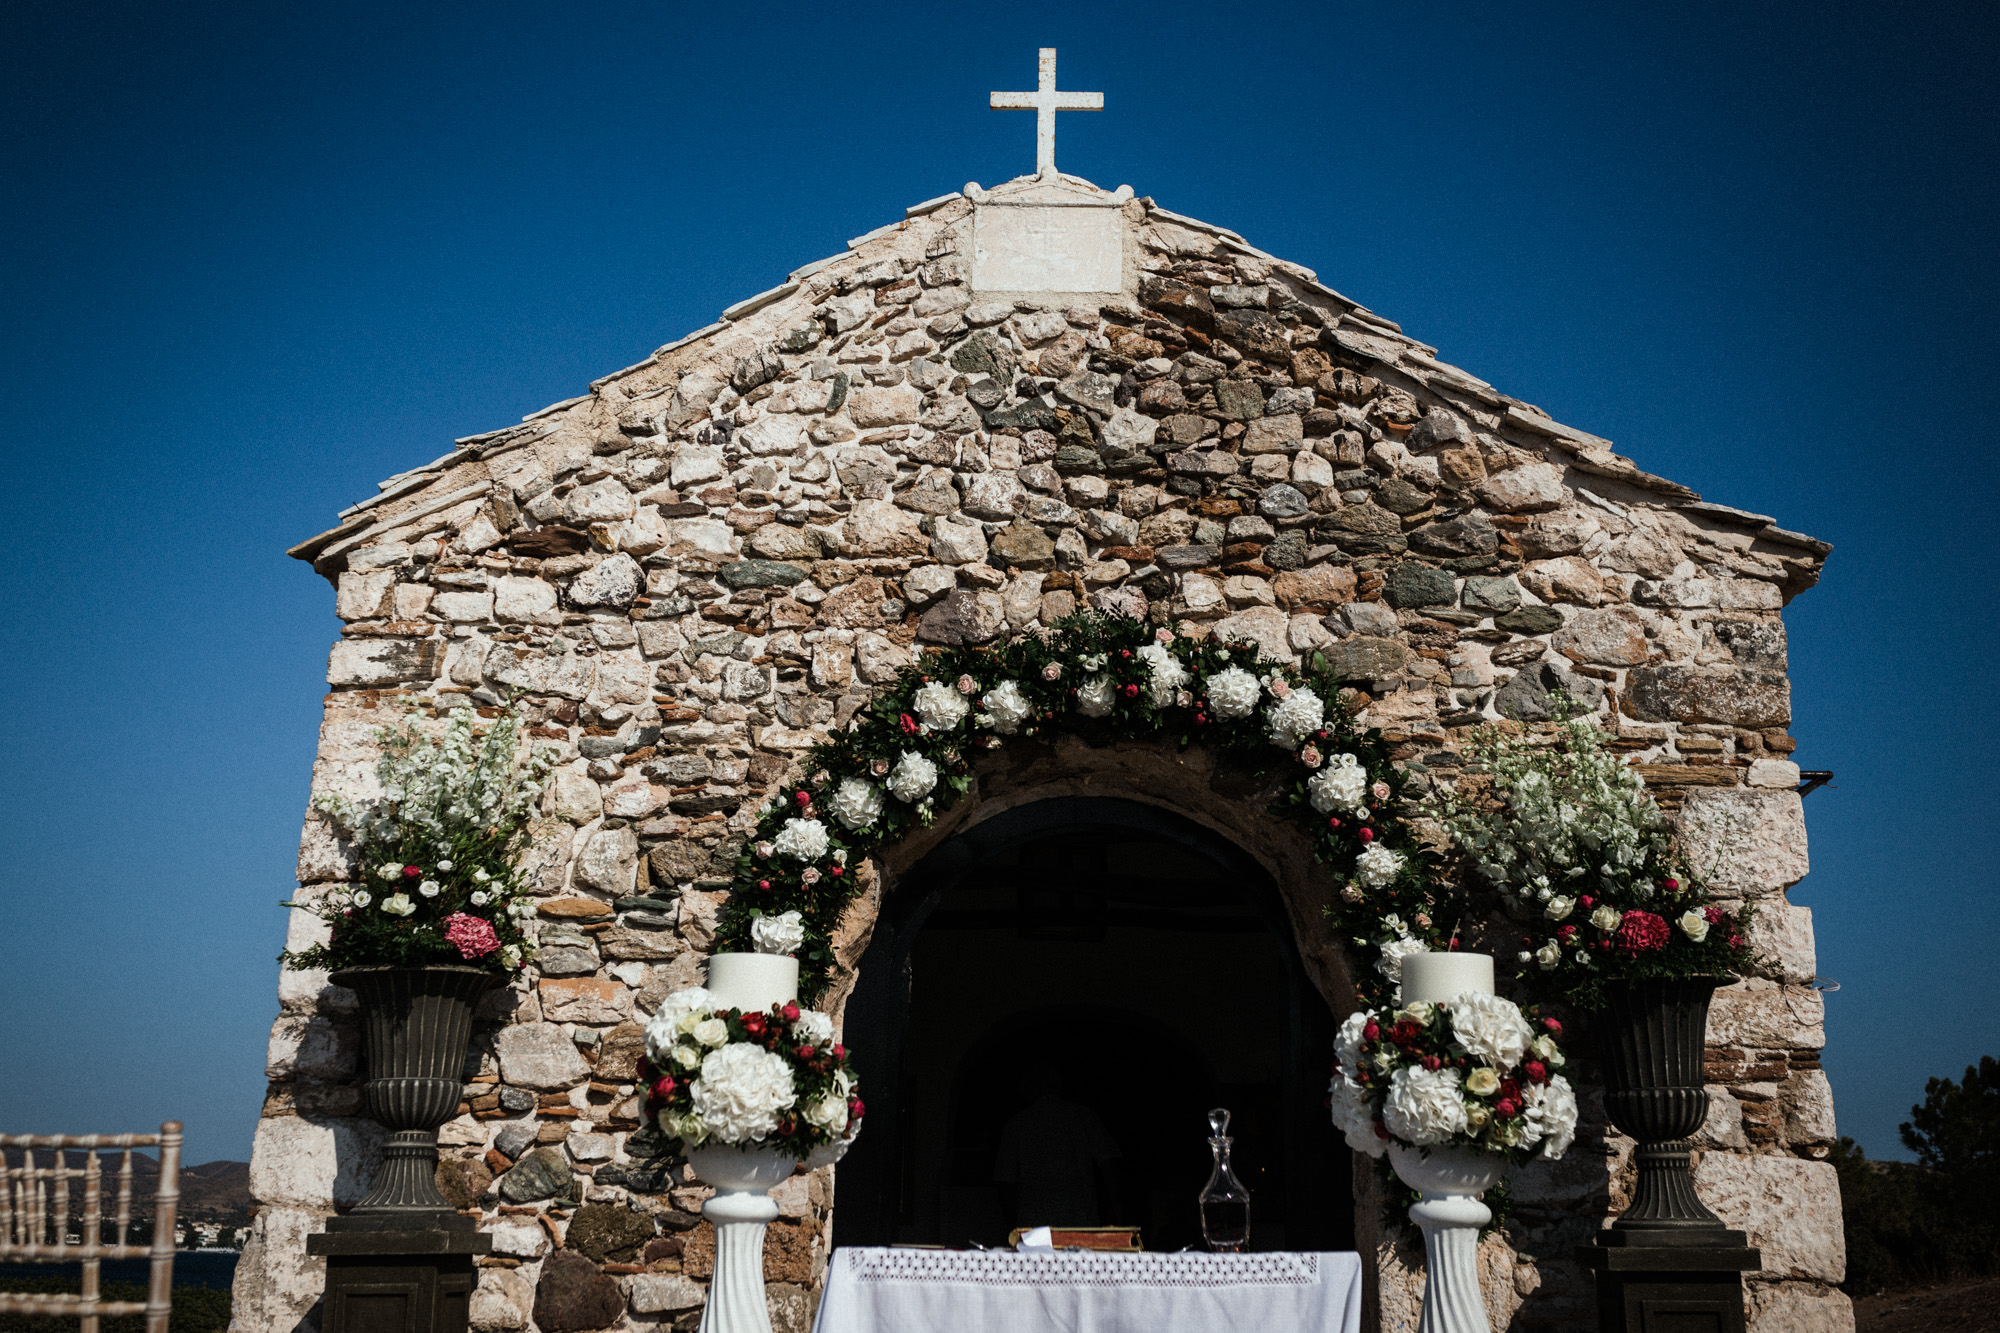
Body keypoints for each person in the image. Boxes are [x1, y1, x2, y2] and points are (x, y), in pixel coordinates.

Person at [993, 1062, 1122, 1228]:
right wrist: (1116, 1206)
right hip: (1080, 1219)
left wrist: (1011, 1225)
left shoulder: (1017, 1125)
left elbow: (1005, 1181)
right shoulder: (1083, 1117)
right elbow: (1108, 1162)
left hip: (1035, 1223)